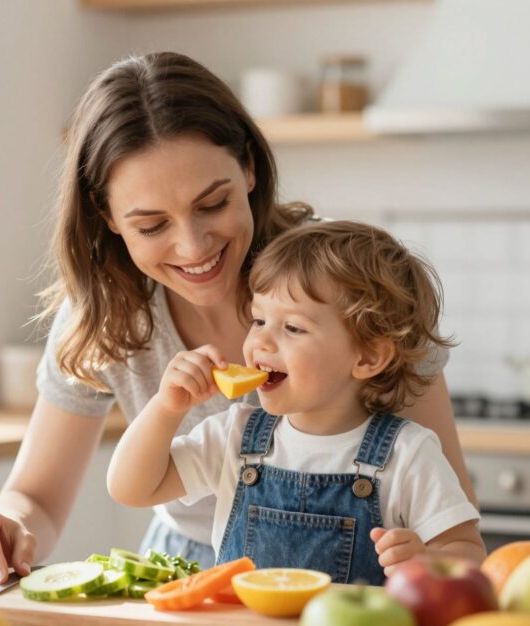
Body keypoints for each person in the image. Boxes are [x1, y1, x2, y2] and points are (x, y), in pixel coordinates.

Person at [0, 51, 478, 586]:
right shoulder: (106, 314)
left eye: (212, 204)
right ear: (108, 218)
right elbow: (39, 498)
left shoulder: (353, 286)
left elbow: (452, 528)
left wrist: (429, 563)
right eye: (151, 226)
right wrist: (2, 525)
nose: (193, 247)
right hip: (189, 574)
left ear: (247, 166)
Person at [107, 221, 485, 584]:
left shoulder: (407, 454)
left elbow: (468, 551)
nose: (261, 343)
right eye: (258, 320)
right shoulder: (234, 436)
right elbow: (131, 488)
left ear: (368, 358)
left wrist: (428, 560)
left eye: (292, 328)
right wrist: (165, 408)